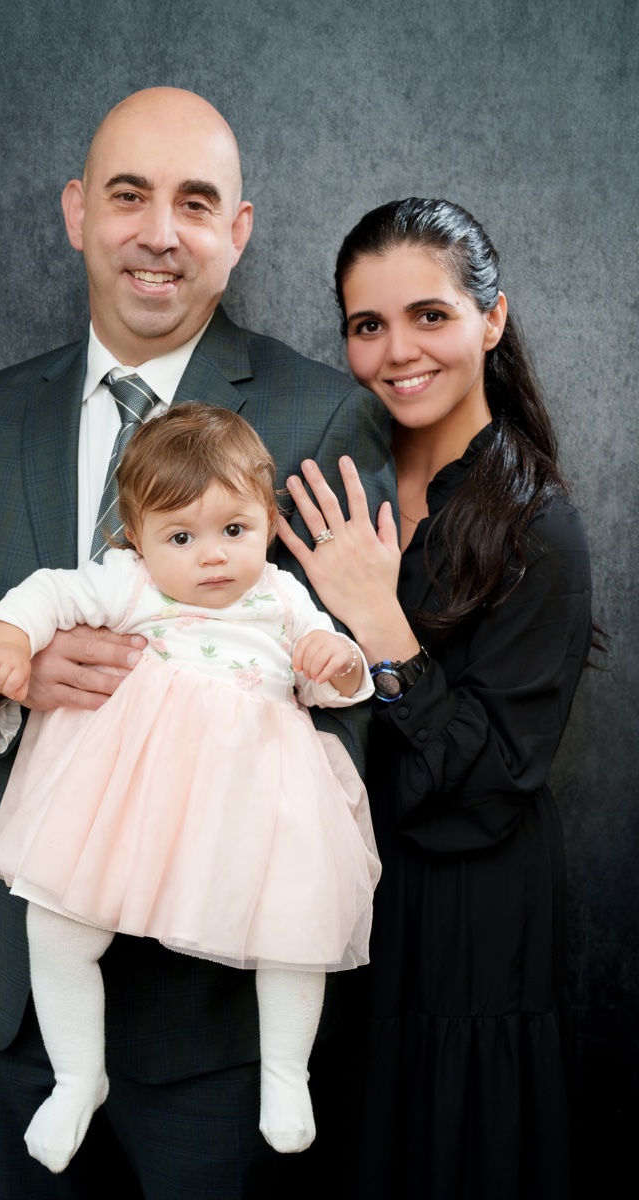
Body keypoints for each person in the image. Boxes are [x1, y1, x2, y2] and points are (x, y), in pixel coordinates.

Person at [0, 88, 396, 1199]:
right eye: (127, 195)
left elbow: (358, 674)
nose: (159, 231)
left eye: (195, 202)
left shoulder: (318, 415)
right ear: (75, 213)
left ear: (236, 232)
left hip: (216, 1015)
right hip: (15, 988)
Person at [278, 198, 593, 1200]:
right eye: (367, 326)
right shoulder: (333, 482)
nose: (396, 351)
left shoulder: (537, 527)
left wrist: (382, 622)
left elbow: (492, 781)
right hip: (335, 896)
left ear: (489, 322)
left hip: (468, 911)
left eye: (429, 316)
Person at [0, 403, 381, 1173]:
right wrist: (9, 637)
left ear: (267, 518)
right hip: (133, 801)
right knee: (58, 928)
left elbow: (330, 680)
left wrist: (340, 660)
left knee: (297, 931)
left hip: (258, 801)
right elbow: (50, 592)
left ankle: (285, 1075)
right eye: (181, 537)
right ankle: (75, 1077)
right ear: (136, 540)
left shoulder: (281, 597)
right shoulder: (129, 584)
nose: (214, 558)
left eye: (235, 530)